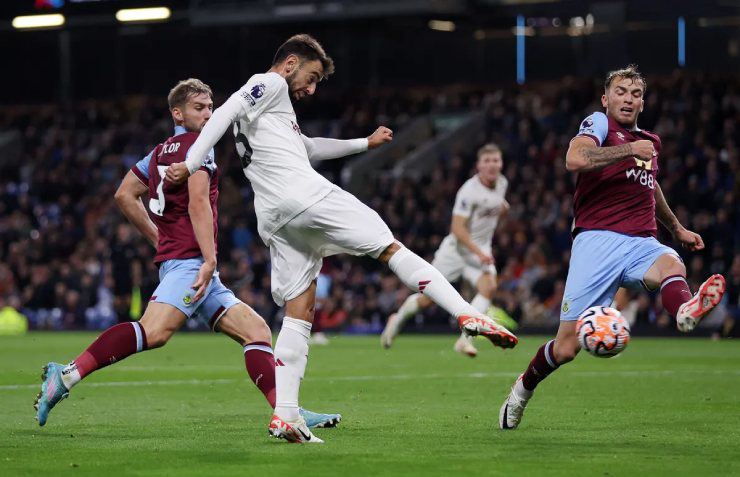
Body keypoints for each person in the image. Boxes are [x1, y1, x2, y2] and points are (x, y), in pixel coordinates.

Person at [166, 34, 518, 444]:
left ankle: (286, 414)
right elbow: (225, 110)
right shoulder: (271, 83)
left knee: (301, 308)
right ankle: (465, 313)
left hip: (275, 218)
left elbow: (309, 146)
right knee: (390, 248)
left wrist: (363, 143)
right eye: (312, 78)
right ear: (292, 62)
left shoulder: (272, 113)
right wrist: (191, 164)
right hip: (305, 195)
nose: (311, 89)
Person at [34, 78, 340, 430]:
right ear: (177, 113)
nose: (209, 114)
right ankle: (67, 374)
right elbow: (197, 203)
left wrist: (159, 239)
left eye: (211, 107)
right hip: (193, 264)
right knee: (154, 331)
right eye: (199, 108)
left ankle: (288, 413)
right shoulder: (199, 147)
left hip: (185, 261)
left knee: (256, 331)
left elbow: (124, 194)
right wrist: (208, 260)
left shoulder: (160, 152)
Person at [498, 65, 726, 430]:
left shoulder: (649, 141)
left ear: (642, 103)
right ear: (606, 99)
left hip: (641, 240)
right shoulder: (600, 125)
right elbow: (575, 160)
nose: (628, 99)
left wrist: (677, 226)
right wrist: (627, 151)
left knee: (672, 264)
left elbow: (650, 185)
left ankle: (685, 309)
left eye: (635, 94)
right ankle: (522, 390)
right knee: (566, 348)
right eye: (621, 92)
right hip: (597, 241)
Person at [381, 143, 510, 357]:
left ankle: (465, 340)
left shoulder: (502, 183)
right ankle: (398, 318)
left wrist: (503, 211)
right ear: (478, 165)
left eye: (495, 160)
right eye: (487, 161)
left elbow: (498, 206)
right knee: (427, 299)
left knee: (488, 287)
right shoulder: (469, 191)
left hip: (480, 251)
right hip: (456, 251)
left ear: (501, 163)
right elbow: (457, 229)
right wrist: (479, 253)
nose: (492, 165)